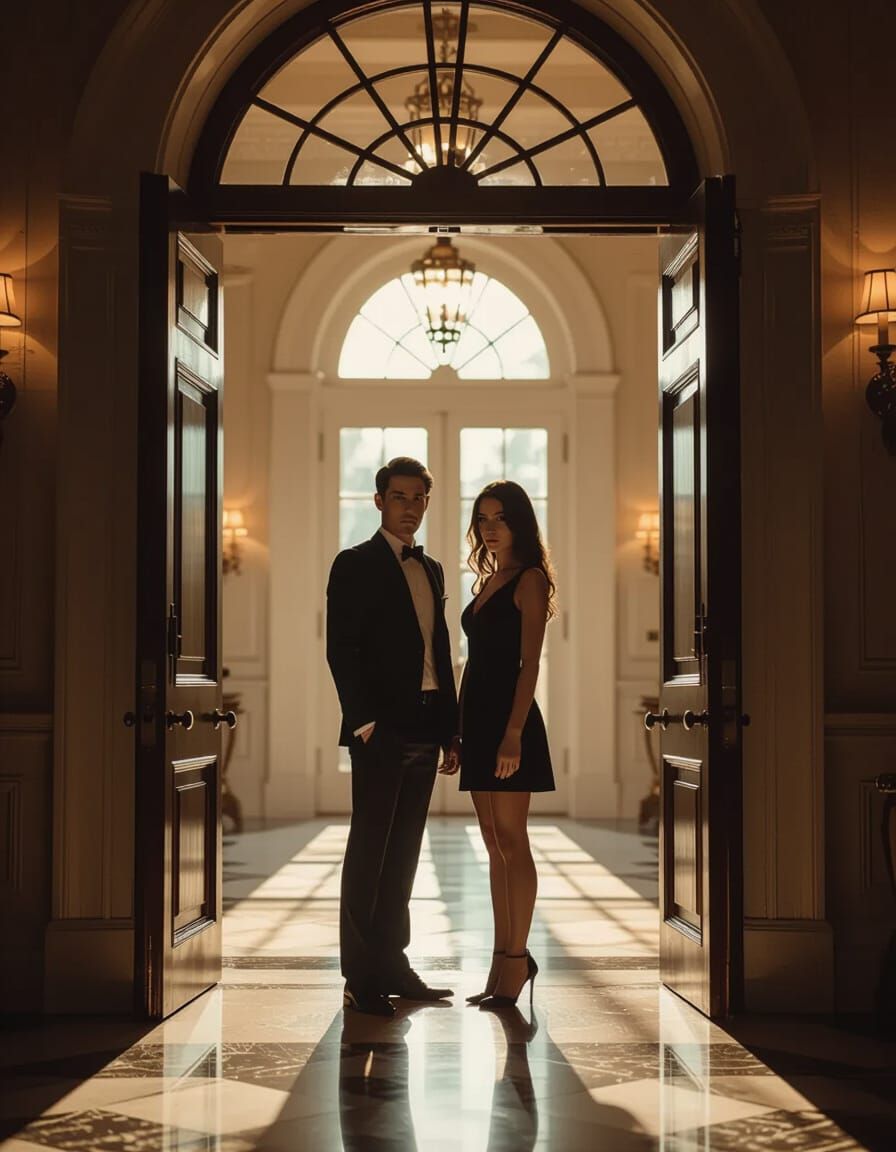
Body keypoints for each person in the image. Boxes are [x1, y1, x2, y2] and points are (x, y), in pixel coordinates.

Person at [326, 457, 461, 1017]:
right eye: (400, 497)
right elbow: (342, 649)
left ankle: (394, 964)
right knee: (369, 850)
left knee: (405, 850)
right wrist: (365, 723)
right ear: (378, 501)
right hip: (380, 729)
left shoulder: (431, 569)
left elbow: (441, 652)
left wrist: (452, 729)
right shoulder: (354, 564)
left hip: (428, 723)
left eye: (419, 498)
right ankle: (361, 977)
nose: (411, 507)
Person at [445, 480, 556, 1010]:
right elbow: (475, 666)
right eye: (483, 517)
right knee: (492, 842)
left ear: (520, 523)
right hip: (479, 718)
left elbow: (529, 663)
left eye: (500, 518)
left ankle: (516, 959)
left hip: (511, 723)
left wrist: (514, 732)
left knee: (513, 839)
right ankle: (502, 958)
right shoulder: (487, 580)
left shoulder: (530, 579)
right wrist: (461, 731)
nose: (490, 527)